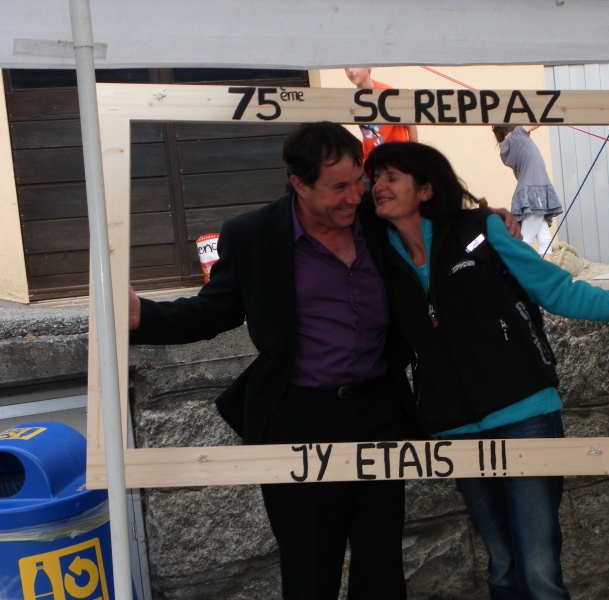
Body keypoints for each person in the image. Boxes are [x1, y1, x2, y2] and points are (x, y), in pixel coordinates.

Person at [128, 122, 417, 599]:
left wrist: (494, 224)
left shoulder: (376, 216)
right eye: (338, 187)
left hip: (379, 411)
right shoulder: (253, 234)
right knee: (310, 568)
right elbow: (212, 311)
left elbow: (440, 215)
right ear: (299, 184)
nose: (354, 196)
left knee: (382, 563)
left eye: (359, 181)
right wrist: (144, 317)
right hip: (300, 419)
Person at [363, 141, 609, 600]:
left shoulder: (481, 229)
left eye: (391, 178)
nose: (377, 187)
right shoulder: (376, 254)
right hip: (454, 426)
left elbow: (558, 291)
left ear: (425, 189)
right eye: (374, 179)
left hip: (525, 412)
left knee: (539, 570)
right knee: (502, 567)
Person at [492, 124, 563, 262]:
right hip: (535, 191)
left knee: (545, 239)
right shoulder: (518, 134)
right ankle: (523, 270)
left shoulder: (506, 147)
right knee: (526, 238)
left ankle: (546, 272)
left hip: (527, 192)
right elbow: (537, 121)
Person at [344, 67, 418, 158]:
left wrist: (413, 155)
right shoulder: (354, 98)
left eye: (355, 66)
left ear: (369, 67)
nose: (351, 71)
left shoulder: (386, 92)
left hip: (396, 155)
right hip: (373, 158)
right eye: (346, 68)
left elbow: (411, 125)